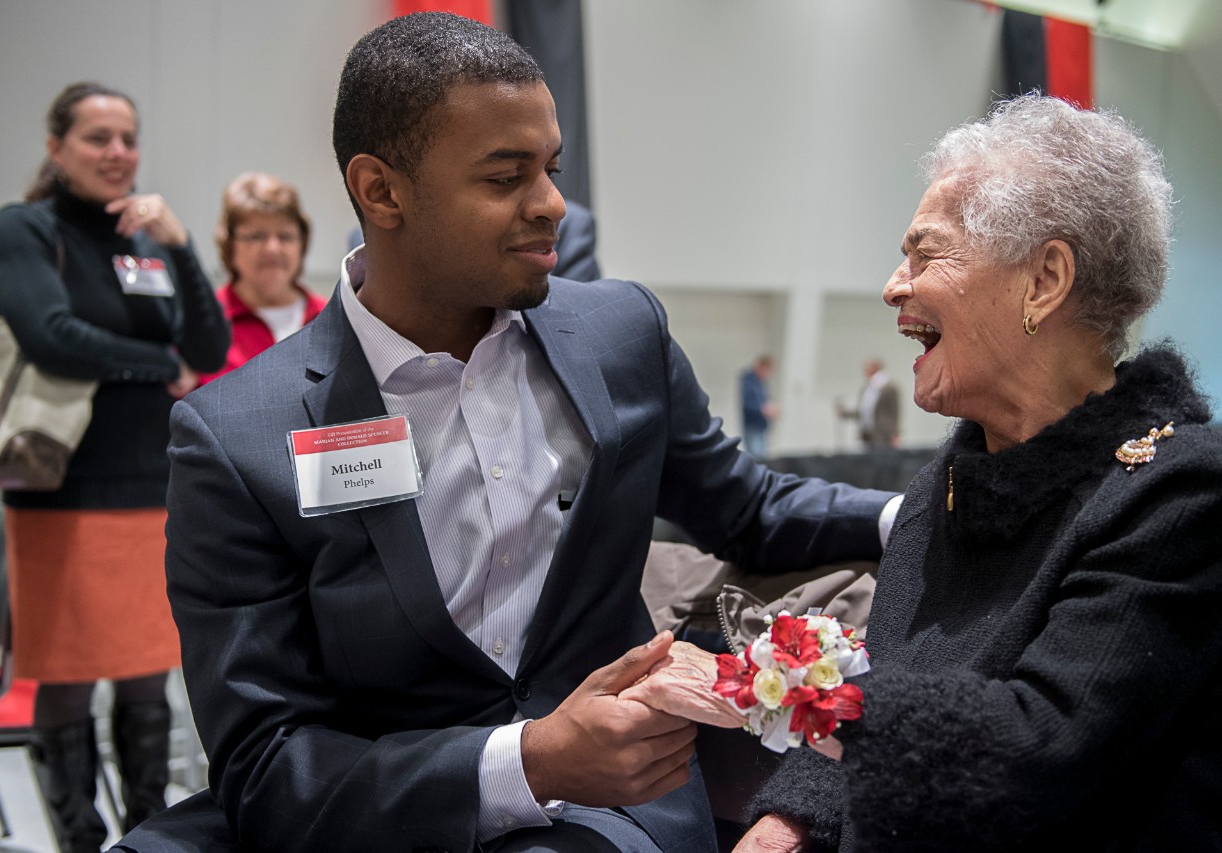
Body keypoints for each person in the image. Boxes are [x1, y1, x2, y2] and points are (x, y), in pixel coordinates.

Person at [112, 13, 897, 853]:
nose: (553, 204)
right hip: (367, 792)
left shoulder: (618, 335)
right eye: (505, 176)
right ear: (382, 191)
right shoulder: (236, 435)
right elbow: (265, 760)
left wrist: (916, 514)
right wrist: (525, 759)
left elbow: (748, 508)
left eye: (552, 169)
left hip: (601, 804)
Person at [628, 95, 1222, 852]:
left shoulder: (1180, 492)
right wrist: (786, 826)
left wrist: (766, 685)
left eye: (924, 253)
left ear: (1044, 280)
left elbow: (1039, 747)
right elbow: (887, 702)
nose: (892, 286)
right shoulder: (949, 480)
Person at [0, 81, 230, 852]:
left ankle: (146, 833)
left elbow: (210, 351)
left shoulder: (145, 239)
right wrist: (153, 361)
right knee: (66, 675)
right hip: (64, 488)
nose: (118, 153)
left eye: (128, 138)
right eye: (97, 138)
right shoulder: (26, 226)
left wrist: (183, 246)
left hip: (152, 488)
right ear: (56, 147)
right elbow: (48, 331)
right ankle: (79, 839)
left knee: (144, 673)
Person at [198, 172, 327, 385]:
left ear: (302, 243)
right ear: (229, 245)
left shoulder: (330, 318)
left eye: (285, 236)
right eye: (257, 236)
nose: (272, 248)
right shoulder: (204, 322)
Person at [835, 358, 899, 449]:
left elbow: (894, 411)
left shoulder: (889, 387)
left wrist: (895, 434)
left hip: (883, 435)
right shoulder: (868, 388)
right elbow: (864, 411)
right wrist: (846, 413)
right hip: (868, 435)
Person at [739, 355, 777, 457]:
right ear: (760, 367)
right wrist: (764, 410)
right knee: (757, 458)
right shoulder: (749, 381)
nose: (767, 374)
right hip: (753, 425)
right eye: (766, 370)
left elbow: (763, 401)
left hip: (761, 425)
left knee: (763, 457)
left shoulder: (760, 383)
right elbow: (748, 403)